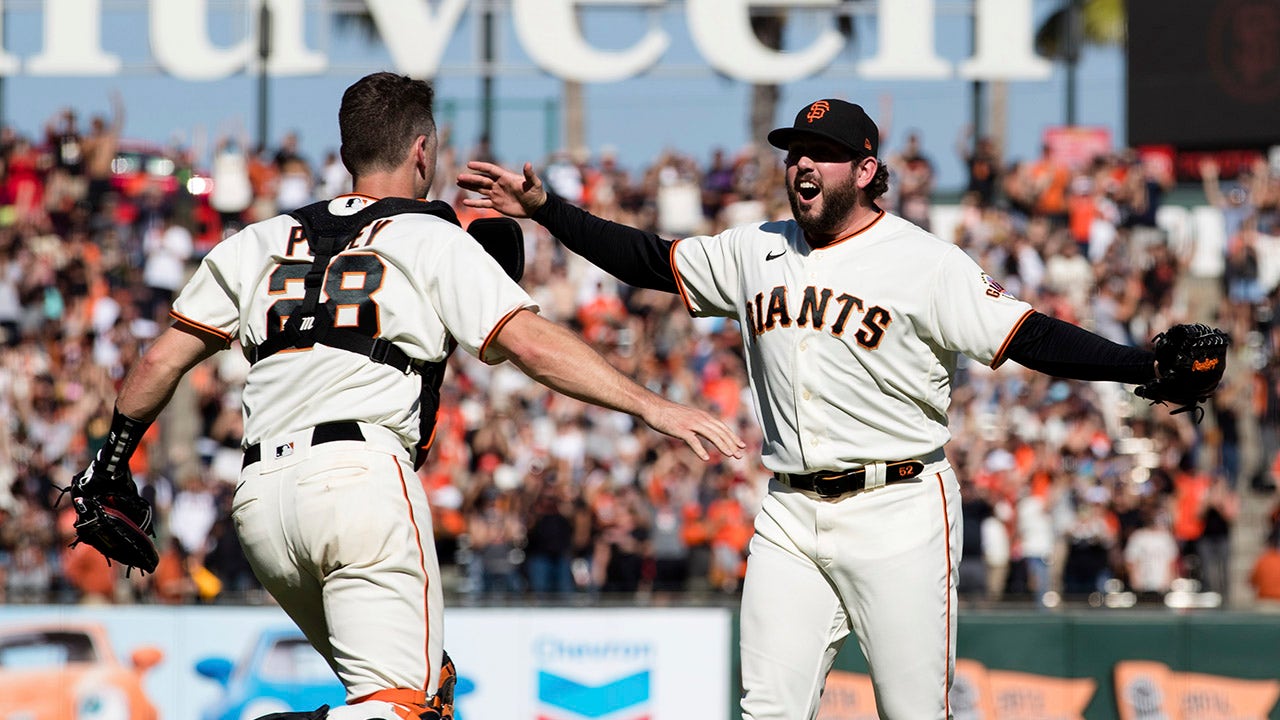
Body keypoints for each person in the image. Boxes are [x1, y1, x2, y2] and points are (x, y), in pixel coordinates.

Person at [458, 98, 1199, 719]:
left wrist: (1140, 364)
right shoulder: (758, 248)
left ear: (867, 171)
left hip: (900, 505)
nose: (803, 164)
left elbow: (1027, 333)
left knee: (914, 713)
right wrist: (547, 209)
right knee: (768, 709)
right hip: (789, 510)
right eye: (795, 151)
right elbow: (651, 260)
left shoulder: (926, 262)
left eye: (824, 152)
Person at [70, 72, 743, 720]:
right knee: (402, 710)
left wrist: (110, 463)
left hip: (262, 504)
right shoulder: (430, 236)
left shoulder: (258, 240)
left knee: (422, 692)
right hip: (359, 483)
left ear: (344, 153)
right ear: (423, 150)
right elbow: (533, 345)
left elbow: (161, 358)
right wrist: (653, 405)